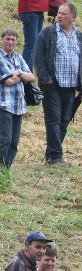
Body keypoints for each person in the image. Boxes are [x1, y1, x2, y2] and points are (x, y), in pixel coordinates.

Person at [34, 2, 82, 165]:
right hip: (52, 85)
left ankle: (53, 154)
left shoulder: (79, 35)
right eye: (59, 13)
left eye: (64, 14)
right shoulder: (48, 33)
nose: (60, 16)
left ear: (73, 17)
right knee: (53, 120)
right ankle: (55, 156)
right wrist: (45, 78)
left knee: (65, 120)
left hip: (71, 86)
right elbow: (38, 57)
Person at [0, 29, 35, 169]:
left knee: (14, 142)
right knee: (5, 140)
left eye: (13, 39)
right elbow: (8, 80)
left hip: (19, 106)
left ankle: (6, 170)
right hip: (4, 104)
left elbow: (31, 77)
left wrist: (19, 73)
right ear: (2, 39)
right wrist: (21, 76)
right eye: (7, 38)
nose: (10, 42)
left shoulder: (18, 58)